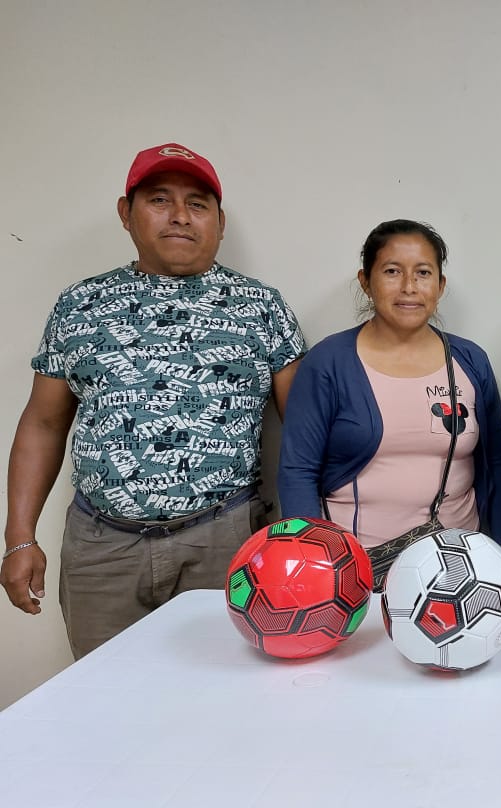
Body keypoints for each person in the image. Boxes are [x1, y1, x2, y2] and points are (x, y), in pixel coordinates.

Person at [1, 142, 305, 656]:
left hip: (225, 542)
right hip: (102, 550)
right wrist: (20, 539)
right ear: (127, 213)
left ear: (220, 223)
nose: (180, 216)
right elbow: (43, 424)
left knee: (226, 692)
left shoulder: (261, 306)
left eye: (198, 204)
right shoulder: (81, 304)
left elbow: (304, 432)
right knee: (108, 693)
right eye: (160, 199)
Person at [277, 219, 501, 575]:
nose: (409, 287)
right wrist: (312, 562)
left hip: (457, 570)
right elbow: (298, 469)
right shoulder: (329, 362)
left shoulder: (470, 360)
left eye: (423, 273)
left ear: (440, 285)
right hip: (351, 568)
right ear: (365, 281)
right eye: (392, 271)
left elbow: (497, 463)